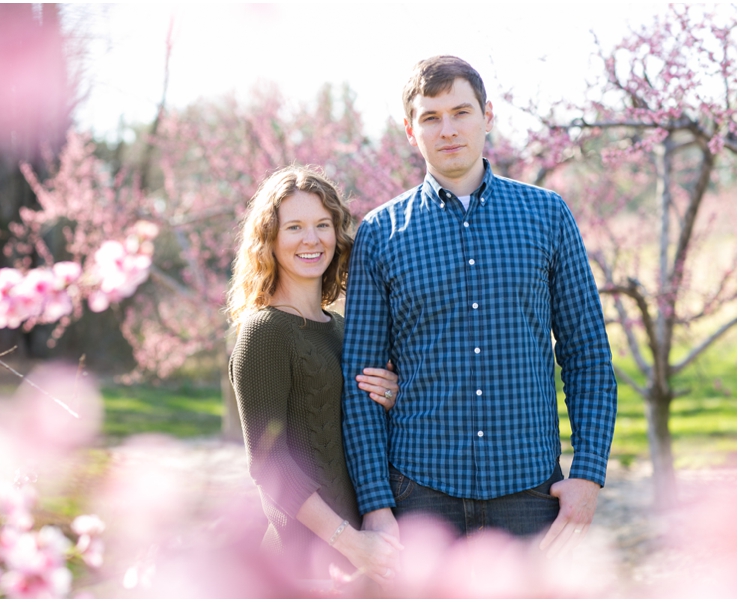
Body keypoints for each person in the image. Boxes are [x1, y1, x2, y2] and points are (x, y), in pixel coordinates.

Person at [340, 55, 618, 569]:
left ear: (487, 115)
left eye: (460, 112)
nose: (448, 129)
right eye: (431, 117)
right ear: (410, 130)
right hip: (419, 495)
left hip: (530, 496)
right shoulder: (380, 234)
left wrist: (588, 472)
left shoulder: (547, 216)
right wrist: (376, 504)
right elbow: (359, 384)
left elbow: (588, 359)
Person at [226, 166, 404, 588]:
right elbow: (269, 463)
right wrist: (350, 542)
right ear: (269, 240)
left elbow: (356, 429)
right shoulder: (264, 332)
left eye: (322, 224)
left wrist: (393, 399)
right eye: (295, 227)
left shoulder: (342, 329)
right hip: (301, 562)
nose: (312, 239)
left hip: (363, 556)